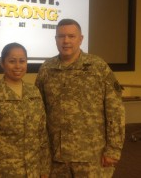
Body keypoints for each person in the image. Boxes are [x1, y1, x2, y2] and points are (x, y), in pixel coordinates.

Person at [35, 18, 125, 178]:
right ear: (55, 39)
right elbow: (38, 113)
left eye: (71, 36)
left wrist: (114, 149)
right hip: (57, 157)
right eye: (61, 36)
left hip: (91, 156)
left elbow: (115, 111)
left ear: (81, 39)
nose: (66, 41)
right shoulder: (46, 69)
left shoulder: (98, 67)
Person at [0, 42, 51, 177]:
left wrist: (44, 170)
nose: (18, 66)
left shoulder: (34, 93)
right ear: (2, 63)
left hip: (33, 172)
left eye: (22, 61)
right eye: (12, 61)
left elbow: (42, 135)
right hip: (2, 173)